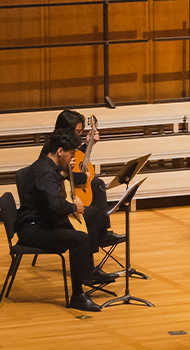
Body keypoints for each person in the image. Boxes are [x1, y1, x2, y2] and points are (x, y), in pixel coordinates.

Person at [15, 129, 116, 312]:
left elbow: (52, 194)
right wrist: (73, 207)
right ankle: (77, 295)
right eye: (71, 153)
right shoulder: (44, 172)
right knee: (80, 239)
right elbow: (55, 206)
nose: (73, 158)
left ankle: (88, 271)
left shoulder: (47, 166)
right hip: (33, 229)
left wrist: (64, 175)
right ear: (60, 151)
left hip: (45, 220)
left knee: (93, 214)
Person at [52, 110, 125, 277]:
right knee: (90, 213)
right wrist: (82, 176)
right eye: (77, 132)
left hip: (69, 192)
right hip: (60, 200)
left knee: (98, 184)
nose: (78, 136)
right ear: (66, 130)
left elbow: (75, 160)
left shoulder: (65, 145)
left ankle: (102, 232)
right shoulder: (52, 149)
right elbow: (60, 174)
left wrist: (88, 144)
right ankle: (88, 268)